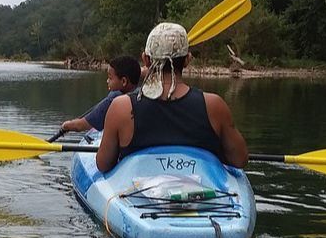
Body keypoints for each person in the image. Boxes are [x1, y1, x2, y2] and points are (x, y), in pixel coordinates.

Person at [96, 23, 248, 172]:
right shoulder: (214, 105)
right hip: (199, 188)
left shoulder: (121, 107)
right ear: (188, 60)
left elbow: (103, 165)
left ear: (146, 59)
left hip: (137, 191)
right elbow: (239, 159)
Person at [61, 56, 141, 133]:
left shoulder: (114, 98)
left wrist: (66, 125)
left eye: (110, 78)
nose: (107, 81)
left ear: (124, 81)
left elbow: (80, 126)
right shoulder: (141, 93)